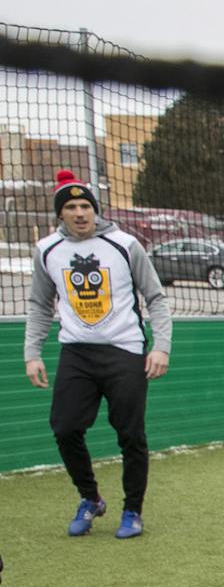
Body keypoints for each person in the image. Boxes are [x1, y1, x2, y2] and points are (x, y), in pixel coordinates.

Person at [24, 169, 171, 539]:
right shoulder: (47, 251)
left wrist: (161, 346)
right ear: (61, 213)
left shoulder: (125, 244)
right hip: (76, 353)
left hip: (124, 351)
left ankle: (133, 511)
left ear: (95, 209)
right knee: (65, 428)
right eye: (71, 206)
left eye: (85, 205)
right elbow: (41, 305)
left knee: (130, 436)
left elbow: (155, 298)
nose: (79, 213)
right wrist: (32, 352)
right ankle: (91, 498)